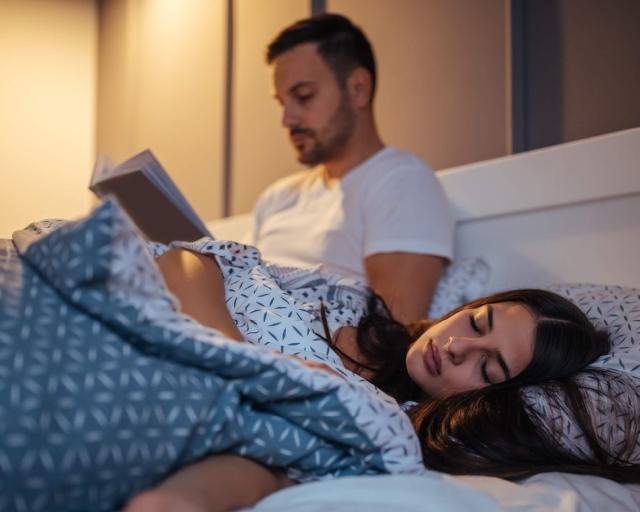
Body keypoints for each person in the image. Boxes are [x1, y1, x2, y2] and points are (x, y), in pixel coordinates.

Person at [124, 247, 640, 512]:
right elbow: (187, 258)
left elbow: (281, 464)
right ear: (472, 306)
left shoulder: (390, 424)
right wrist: (235, 356)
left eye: (486, 368)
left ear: (494, 397)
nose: (456, 347)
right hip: (145, 319)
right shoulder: (355, 303)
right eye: (476, 323)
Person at [245, 13, 455, 324]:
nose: (287, 119)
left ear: (358, 89)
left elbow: (392, 336)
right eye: (282, 102)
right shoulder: (277, 197)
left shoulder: (402, 181)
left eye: (304, 97)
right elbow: (236, 284)